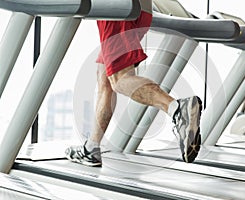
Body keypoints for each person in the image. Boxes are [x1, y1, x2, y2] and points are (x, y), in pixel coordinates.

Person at [65, 0, 202, 166]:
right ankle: (91, 148)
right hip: (139, 10)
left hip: (118, 10)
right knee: (105, 76)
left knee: (119, 79)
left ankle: (176, 108)